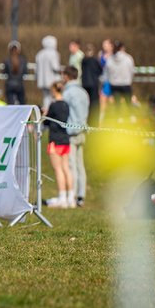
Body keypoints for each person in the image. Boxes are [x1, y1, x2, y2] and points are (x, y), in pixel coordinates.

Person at [61, 66, 89, 207]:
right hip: (82, 132)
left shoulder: (67, 93)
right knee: (80, 165)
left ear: (67, 76)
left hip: (71, 133)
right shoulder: (83, 92)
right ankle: (81, 195)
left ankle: (73, 194)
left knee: (72, 165)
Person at [44, 81, 74, 208]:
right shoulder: (66, 105)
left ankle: (62, 197)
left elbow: (46, 122)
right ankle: (71, 198)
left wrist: (45, 114)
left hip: (55, 140)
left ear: (54, 91)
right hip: (65, 140)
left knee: (58, 169)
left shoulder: (54, 105)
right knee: (66, 168)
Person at [35, 35, 61, 110]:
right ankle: (51, 112)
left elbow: (36, 69)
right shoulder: (53, 53)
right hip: (52, 80)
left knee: (45, 97)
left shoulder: (39, 54)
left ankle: (46, 111)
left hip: (42, 81)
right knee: (52, 97)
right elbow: (55, 67)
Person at [107, 40, 135, 109]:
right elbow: (132, 70)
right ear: (122, 48)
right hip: (126, 83)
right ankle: (131, 117)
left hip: (114, 84)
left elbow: (108, 71)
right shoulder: (128, 58)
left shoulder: (110, 59)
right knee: (129, 104)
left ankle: (119, 118)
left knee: (117, 105)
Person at [80, 43, 102, 126]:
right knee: (94, 105)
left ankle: (86, 121)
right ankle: (94, 122)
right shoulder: (95, 60)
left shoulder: (83, 60)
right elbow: (100, 71)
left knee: (86, 104)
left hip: (85, 84)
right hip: (93, 85)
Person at [3, 40, 26, 105]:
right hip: (20, 85)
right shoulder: (23, 60)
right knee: (22, 104)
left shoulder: (7, 60)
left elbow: (4, 72)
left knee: (10, 104)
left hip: (9, 85)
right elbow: (25, 72)